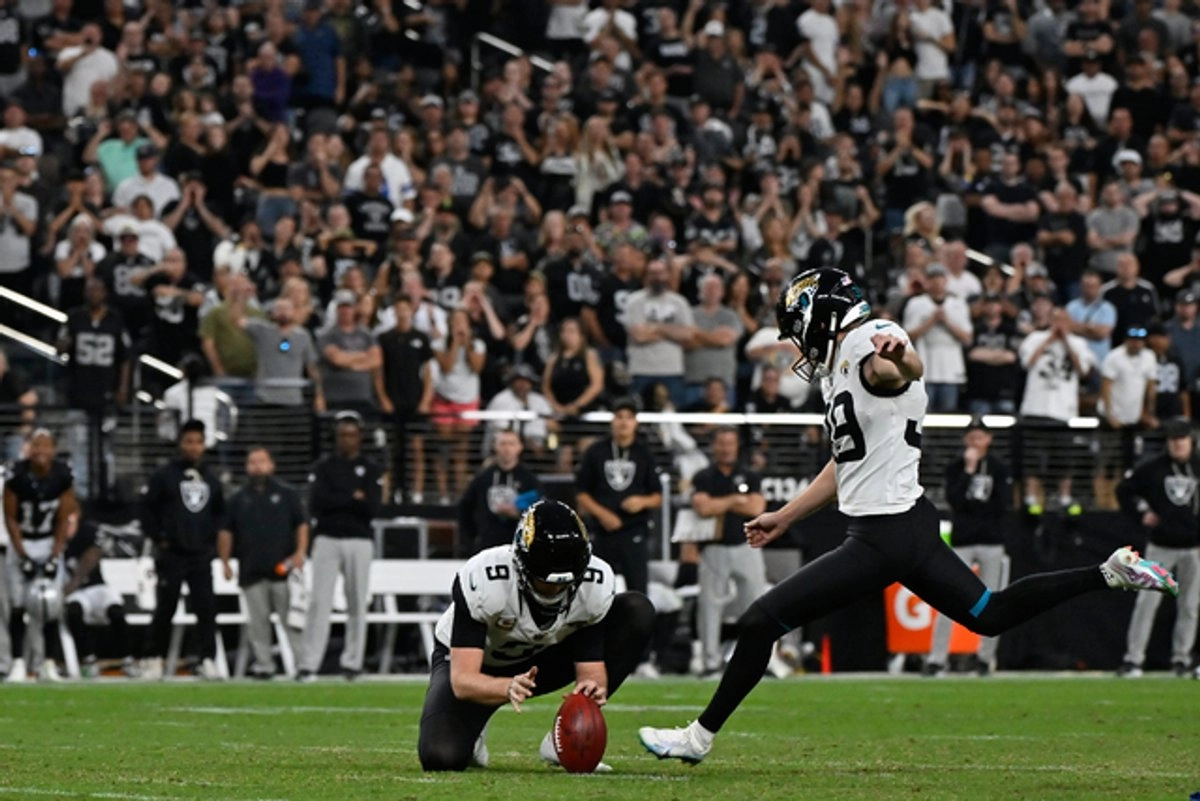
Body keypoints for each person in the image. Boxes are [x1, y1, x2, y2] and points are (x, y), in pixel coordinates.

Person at [638, 268, 1178, 764]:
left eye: (799, 327)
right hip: (910, 523)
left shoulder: (872, 341)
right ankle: (1107, 572)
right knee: (989, 613)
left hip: (884, 535)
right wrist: (787, 515)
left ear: (822, 317)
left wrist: (898, 356)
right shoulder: (838, 365)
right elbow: (845, 461)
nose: (798, 342)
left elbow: (896, 369)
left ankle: (698, 738)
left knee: (761, 620)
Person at [417, 500, 655, 772]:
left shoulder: (594, 582)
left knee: (637, 611)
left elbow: (591, 669)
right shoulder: (486, 579)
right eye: (545, 582)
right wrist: (505, 687)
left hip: (540, 658)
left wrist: (590, 692)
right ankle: (476, 718)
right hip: (479, 664)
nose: (556, 591)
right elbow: (462, 681)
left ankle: (560, 740)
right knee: (441, 756)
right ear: (521, 565)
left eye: (565, 584)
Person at [297, 411, 382, 681]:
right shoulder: (323, 467)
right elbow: (316, 503)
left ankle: (353, 663)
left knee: (357, 601)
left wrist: (340, 498)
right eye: (343, 435)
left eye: (352, 435)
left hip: (359, 539)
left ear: (360, 437)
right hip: (327, 538)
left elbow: (373, 507)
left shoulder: (370, 468)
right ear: (336, 437)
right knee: (319, 602)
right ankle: (309, 663)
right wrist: (352, 497)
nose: (347, 440)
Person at [924, 417, 1012, 678]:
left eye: (980, 437)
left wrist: (975, 506)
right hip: (963, 540)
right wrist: (969, 471)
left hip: (991, 540)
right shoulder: (955, 467)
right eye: (971, 437)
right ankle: (937, 658)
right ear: (965, 440)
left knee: (994, 601)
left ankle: (985, 658)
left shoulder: (999, 468)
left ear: (989, 439)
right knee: (948, 598)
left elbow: (1002, 504)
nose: (975, 442)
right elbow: (954, 500)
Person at [139, 419, 225, 681]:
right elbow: (147, 510)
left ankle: (207, 659)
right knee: (166, 608)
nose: (194, 447)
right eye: (189, 441)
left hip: (200, 556)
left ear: (205, 445)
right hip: (172, 555)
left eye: (198, 442)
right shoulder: (164, 475)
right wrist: (160, 538)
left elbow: (219, 515)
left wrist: (210, 544)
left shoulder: (212, 479)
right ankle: (154, 658)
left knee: (206, 609)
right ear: (180, 444)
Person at [1115, 417, 1200, 677]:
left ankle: (1181, 658)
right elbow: (1124, 490)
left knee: (1190, 606)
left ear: (1190, 440)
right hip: (1161, 545)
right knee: (1146, 603)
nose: (1177, 444)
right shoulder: (1153, 467)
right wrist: (1141, 512)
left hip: (1194, 546)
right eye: (1172, 439)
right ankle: (1134, 658)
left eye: (1181, 439)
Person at [218, 446, 307, 679]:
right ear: (247, 467)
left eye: (262, 461)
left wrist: (300, 553)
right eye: (253, 462)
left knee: (292, 620)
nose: (257, 466)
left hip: (283, 569)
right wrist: (225, 562)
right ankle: (264, 665)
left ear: (271, 465)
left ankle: (302, 664)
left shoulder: (287, 494)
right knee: (258, 623)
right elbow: (226, 532)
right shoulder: (237, 498)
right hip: (251, 570)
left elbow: (301, 524)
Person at [691, 427, 767, 676]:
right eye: (721, 443)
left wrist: (720, 503)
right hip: (714, 548)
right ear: (714, 446)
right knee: (709, 607)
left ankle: (756, 659)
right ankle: (710, 662)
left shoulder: (749, 474)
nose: (726, 448)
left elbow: (756, 508)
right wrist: (735, 500)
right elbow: (703, 508)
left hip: (747, 545)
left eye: (730, 443)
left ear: (737, 446)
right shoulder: (704, 476)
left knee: (756, 604)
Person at [3, 429, 77, 682]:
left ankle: (48, 663)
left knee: (51, 605)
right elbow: (10, 518)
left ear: (54, 449)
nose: (40, 451)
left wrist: (55, 554)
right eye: (36, 445)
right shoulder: (16, 474)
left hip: (48, 541)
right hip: (23, 541)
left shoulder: (62, 475)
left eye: (45, 445)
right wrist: (22, 555)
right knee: (17, 604)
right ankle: (18, 663)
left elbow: (64, 518)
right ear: (28, 448)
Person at [574, 398, 662, 595]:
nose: (624, 422)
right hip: (601, 531)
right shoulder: (596, 451)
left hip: (634, 530)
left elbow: (658, 496)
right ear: (612, 420)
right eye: (619, 416)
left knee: (638, 590)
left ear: (636, 422)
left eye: (629, 417)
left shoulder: (644, 453)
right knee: (596, 591)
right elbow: (581, 492)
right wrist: (603, 514)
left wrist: (642, 502)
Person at [374, 294, 434, 504]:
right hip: (392, 401)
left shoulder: (421, 338)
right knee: (391, 449)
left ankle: (416, 493)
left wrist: (426, 399)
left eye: (405, 308)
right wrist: (383, 397)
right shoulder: (385, 338)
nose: (402, 313)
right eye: (398, 309)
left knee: (416, 448)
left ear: (411, 311)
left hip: (415, 400)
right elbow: (378, 371)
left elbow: (428, 371)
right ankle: (390, 493)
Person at [62, 514, 138, 678]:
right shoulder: (54, 539)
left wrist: (75, 581)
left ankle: (128, 659)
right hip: (75, 594)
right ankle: (88, 660)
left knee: (116, 611)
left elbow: (94, 552)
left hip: (96, 587)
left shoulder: (86, 531)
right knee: (74, 611)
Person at [457, 429, 542, 555]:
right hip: (487, 547)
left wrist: (518, 513)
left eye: (511, 444)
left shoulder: (529, 479)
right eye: (503, 444)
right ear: (495, 446)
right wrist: (471, 542)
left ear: (520, 447)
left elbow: (540, 511)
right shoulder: (483, 478)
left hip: (518, 548)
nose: (507, 448)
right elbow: (465, 508)